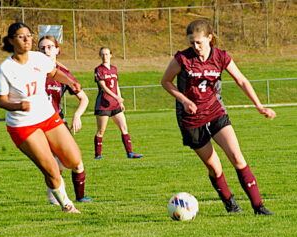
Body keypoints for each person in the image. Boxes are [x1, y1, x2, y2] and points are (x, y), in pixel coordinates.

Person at [161, 19, 276, 215]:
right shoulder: (182, 59)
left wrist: (259, 106)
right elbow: (166, 82)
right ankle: (230, 203)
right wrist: (184, 100)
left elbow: (241, 80)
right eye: (192, 43)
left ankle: (259, 207)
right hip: (191, 120)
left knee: (237, 158)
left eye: (199, 42)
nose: (195, 47)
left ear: (209, 38)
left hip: (216, 112)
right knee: (215, 168)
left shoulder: (221, 57)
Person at [0, 22, 84, 213]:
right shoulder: (5, 69)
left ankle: (54, 177)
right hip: (23, 124)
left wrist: (71, 82)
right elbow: (1, 101)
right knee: (51, 169)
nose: (26, 39)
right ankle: (66, 205)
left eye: (29, 35)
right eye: (20, 36)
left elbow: (54, 72)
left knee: (74, 160)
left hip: (47, 116)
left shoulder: (38, 58)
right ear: (11, 41)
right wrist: (18, 105)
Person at [38, 35, 92, 204]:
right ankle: (55, 196)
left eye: (49, 47)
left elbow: (84, 98)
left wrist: (77, 115)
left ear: (57, 50)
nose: (45, 50)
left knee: (77, 163)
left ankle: (81, 197)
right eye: (42, 48)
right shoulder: (33, 70)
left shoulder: (64, 74)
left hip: (58, 123)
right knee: (52, 164)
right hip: (37, 125)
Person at [93, 47, 143, 159]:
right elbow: (103, 87)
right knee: (101, 130)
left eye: (107, 54)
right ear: (100, 56)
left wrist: (120, 100)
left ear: (111, 55)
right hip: (103, 104)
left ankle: (130, 153)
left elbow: (116, 86)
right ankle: (98, 155)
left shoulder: (114, 69)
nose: (105, 56)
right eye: (103, 54)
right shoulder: (99, 69)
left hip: (115, 104)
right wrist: (116, 97)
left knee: (124, 127)